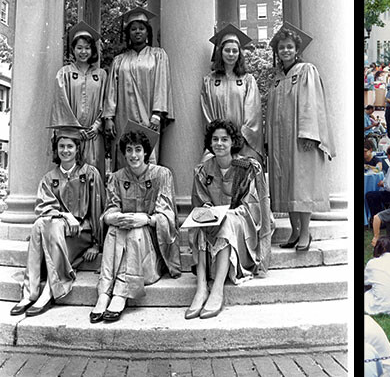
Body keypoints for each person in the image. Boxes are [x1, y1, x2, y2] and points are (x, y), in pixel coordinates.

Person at [10, 127, 104, 317]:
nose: (65, 150)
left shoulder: (90, 174)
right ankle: (30, 292)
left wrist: (96, 243)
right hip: (57, 233)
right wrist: (65, 216)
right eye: (61, 146)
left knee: (50, 224)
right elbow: (43, 208)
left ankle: (49, 291)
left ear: (78, 149)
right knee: (41, 224)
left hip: (81, 233)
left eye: (70, 146)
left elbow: (98, 210)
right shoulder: (49, 178)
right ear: (56, 149)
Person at [90, 130, 181, 323]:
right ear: (124, 153)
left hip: (149, 253)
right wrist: (112, 218)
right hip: (122, 239)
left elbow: (168, 216)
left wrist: (146, 220)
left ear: (146, 152)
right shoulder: (116, 178)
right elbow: (110, 209)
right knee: (116, 229)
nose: (133, 155)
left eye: (138, 149)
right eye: (129, 150)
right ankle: (104, 293)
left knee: (135, 230)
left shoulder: (162, 175)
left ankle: (120, 294)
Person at [185, 120, 273, 319]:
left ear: (233, 142)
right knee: (201, 224)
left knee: (226, 221)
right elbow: (200, 202)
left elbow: (255, 207)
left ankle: (217, 289)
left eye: (225, 139)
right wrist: (207, 211)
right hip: (213, 225)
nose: (219, 143)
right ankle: (201, 288)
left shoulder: (248, 167)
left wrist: (228, 214)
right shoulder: (203, 169)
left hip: (241, 225)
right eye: (215, 139)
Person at [266, 23, 335, 251]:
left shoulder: (306, 71)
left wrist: (308, 134)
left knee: (301, 186)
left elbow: (311, 105)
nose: (285, 50)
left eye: (289, 47)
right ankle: (295, 231)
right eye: (281, 47)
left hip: (300, 140)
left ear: (297, 49)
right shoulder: (276, 78)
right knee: (286, 185)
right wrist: (269, 140)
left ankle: (306, 233)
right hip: (280, 142)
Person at [103, 7, 174, 170]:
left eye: (141, 28)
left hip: (148, 117)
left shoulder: (158, 55)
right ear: (128, 33)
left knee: (148, 157)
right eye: (133, 29)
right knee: (124, 156)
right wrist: (108, 118)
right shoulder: (119, 60)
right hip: (123, 117)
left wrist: (157, 114)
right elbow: (111, 91)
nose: (137, 32)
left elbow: (161, 84)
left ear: (148, 31)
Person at [50, 22, 107, 176]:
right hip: (71, 135)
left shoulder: (101, 75)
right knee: (72, 173)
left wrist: (97, 125)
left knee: (94, 172)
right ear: (73, 50)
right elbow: (61, 104)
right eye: (79, 47)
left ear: (93, 50)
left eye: (87, 48)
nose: (83, 51)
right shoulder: (64, 74)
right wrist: (74, 129)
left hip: (93, 134)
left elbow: (106, 102)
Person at [200, 24, 263, 163]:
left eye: (235, 51)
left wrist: (238, 138)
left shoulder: (247, 80)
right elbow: (207, 112)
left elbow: (253, 113)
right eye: (227, 50)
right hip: (218, 143)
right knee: (207, 170)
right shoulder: (209, 81)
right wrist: (219, 137)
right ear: (220, 52)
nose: (231, 54)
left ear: (239, 53)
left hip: (242, 143)